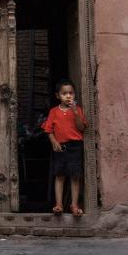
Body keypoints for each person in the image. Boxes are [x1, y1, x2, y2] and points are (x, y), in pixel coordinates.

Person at [41, 79, 87, 217]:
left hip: (75, 147)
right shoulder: (54, 112)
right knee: (60, 175)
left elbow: (81, 127)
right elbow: (48, 130)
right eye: (64, 93)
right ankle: (59, 204)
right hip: (60, 147)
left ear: (74, 95)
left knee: (75, 176)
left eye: (71, 93)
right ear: (57, 96)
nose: (68, 96)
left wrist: (76, 113)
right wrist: (54, 141)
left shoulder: (78, 110)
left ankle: (74, 204)